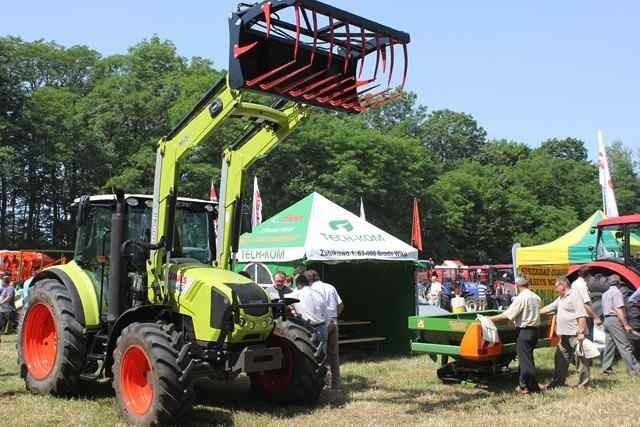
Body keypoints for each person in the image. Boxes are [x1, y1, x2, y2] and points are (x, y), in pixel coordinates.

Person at [487, 276, 541, 394]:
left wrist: (488, 319)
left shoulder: (521, 298)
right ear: (528, 284)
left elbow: (507, 315)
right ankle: (523, 386)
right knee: (526, 359)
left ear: (517, 286)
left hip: (524, 332)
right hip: (534, 332)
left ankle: (534, 388)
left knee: (526, 362)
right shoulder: (536, 297)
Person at [540, 276, 590, 388]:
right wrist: (536, 312)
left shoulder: (574, 296)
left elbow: (581, 314)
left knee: (580, 360)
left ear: (562, 286)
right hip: (564, 335)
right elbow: (550, 307)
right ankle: (558, 382)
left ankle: (584, 384)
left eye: (556, 287)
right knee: (560, 358)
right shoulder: (561, 298)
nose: (555, 289)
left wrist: (581, 332)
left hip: (575, 334)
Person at [305, 269, 343, 389]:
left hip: (320, 324)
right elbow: (341, 305)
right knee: (334, 354)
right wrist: (333, 317)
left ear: (309, 279)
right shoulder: (330, 287)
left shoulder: (311, 290)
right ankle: (336, 383)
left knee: (319, 355)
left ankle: (321, 383)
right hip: (334, 322)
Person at [601, 274, 640, 376]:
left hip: (606, 320)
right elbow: (618, 309)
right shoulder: (617, 292)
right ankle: (635, 370)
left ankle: (606, 368)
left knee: (609, 346)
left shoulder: (605, 294)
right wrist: (626, 324)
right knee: (625, 345)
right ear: (618, 283)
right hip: (614, 320)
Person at [290, 274, 328, 352]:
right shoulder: (318, 294)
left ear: (298, 284)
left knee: (309, 354)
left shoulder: (297, 294)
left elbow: (279, 297)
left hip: (308, 328)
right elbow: (325, 311)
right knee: (322, 355)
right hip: (322, 326)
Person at [571, 265, 602, 340]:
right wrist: (596, 317)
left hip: (578, 315)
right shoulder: (582, 285)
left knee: (582, 340)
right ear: (589, 275)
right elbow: (586, 304)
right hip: (585, 317)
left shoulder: (575, 283)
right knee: (587, 340)